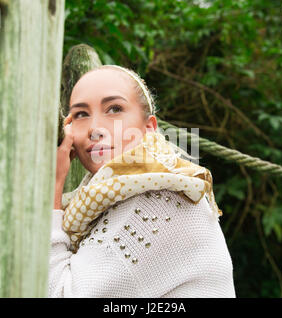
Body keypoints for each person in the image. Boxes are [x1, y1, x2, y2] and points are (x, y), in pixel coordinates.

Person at [49, 65, 236, 298]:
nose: (95, 129)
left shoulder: (161, 202)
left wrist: (52, 187)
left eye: (114, 109)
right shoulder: (101, 197)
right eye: (81, 114)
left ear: (149, 129)